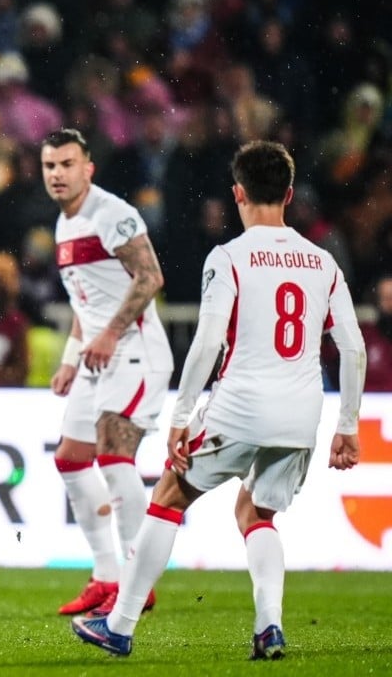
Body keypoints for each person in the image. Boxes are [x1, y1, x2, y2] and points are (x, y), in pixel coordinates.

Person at [73, 141, 365, 659]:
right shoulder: (322, 261)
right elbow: (353, 346)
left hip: (242, 405)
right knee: (256, 512)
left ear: (237, 194)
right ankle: (269, 626)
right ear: (290, 194)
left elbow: (208, 342)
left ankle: (118, 626)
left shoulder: (228, 257)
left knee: (166, 496)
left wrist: (181, 416)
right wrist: (347, 425)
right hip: (301, 412)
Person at [43, 128, 172, 616]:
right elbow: (85, 302)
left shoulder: (112, 213)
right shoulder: (63, 224)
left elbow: (150, 276)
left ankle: (139, 584)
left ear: (87, 167)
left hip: (135, 350)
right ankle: (105, 576)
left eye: (67, 164)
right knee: (71, 458)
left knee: (115, 459)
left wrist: (110, 334)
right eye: (50, 166)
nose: (58, 174)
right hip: (97, 356)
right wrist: (71, 359)